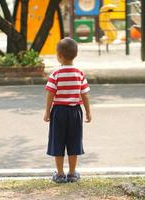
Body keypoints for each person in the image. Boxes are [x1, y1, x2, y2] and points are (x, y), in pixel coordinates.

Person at [44, 37, 91, 183]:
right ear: (75, 54)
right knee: (74, 142)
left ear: (59, 56)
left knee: (57, 141)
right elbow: (84, 94)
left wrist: (47, 111)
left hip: (58, 112)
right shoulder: (79, 73)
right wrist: (88, 112)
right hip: (75, 112)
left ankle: (59, 174)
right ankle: (71, 173)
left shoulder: (56, 74)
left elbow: (50, 94)